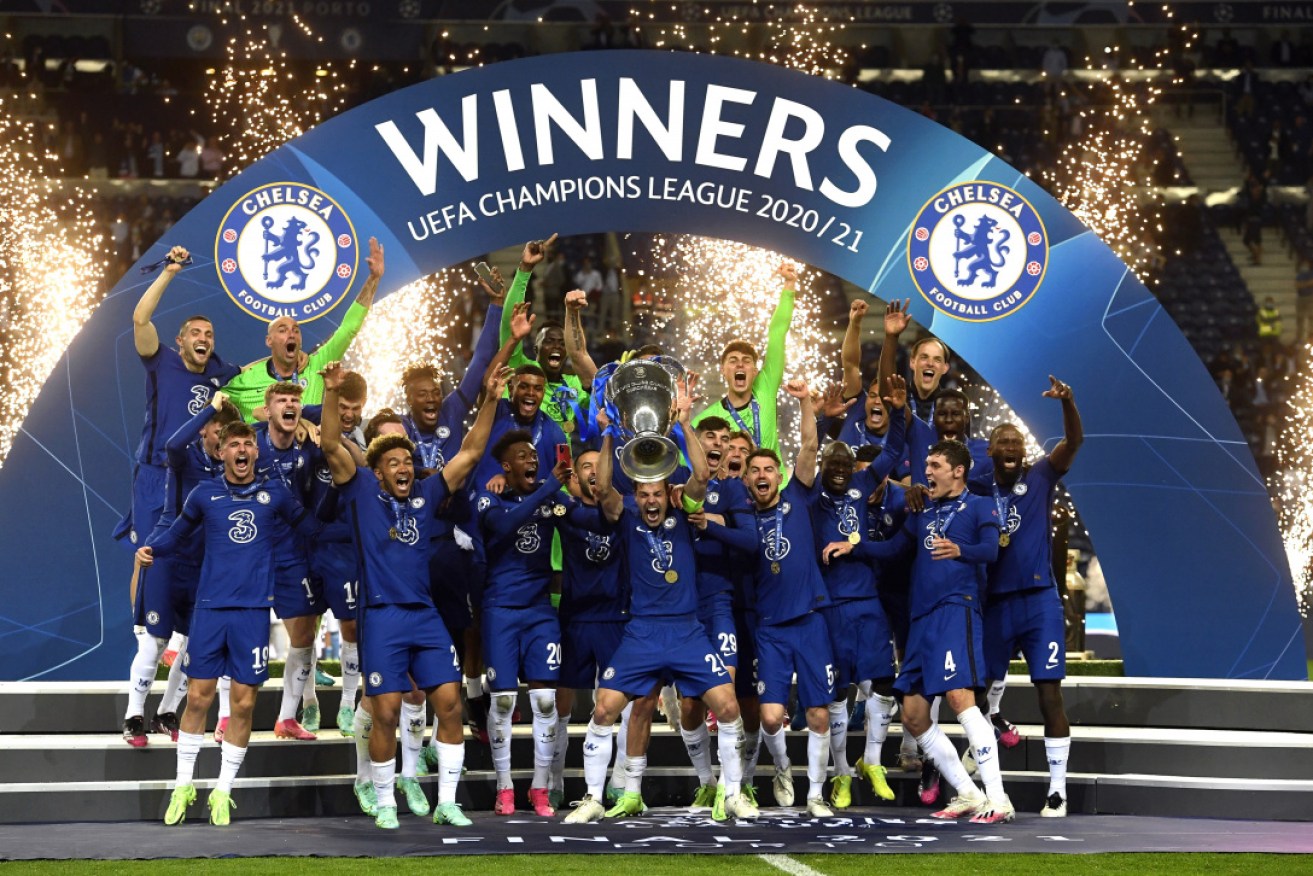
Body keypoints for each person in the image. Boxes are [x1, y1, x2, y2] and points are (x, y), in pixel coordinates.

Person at [318, 358, 506, 830]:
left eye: (407, 461)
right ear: (377, 472)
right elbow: (328, 444)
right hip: (381, 615)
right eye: (393, 463)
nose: (404, 468)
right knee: (385, 711)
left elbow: (470, 452)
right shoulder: (360, 490)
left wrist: (491, 400)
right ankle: (384, 801)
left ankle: (446, 801)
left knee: (449, 703)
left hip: (424, 615)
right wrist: (330, 391)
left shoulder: (424, 496)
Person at [563, 392, 756, 824]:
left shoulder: (686, 512)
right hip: (643, 632)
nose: (651, 501)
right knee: (604, 708)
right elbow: (605, 488)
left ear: (669, 493)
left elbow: (703, 475)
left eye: (657, 494)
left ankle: (734, 793)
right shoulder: (626, 514)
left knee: (727, 707)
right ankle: (594, 796)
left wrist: (686, 423)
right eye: (644, 494)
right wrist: (609, 433)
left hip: (687, 631)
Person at [137, 422, 319, 826]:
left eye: (246, 444)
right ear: (221, 453)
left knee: (244, 703)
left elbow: (311, 528)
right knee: (198, 698)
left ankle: (223, 791)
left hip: (253, 614)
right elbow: (178, 534)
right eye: (232, 444)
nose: (240, 450)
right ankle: (183, 786)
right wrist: (152, 548)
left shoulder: (276, 495)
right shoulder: (205, 494)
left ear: (256, 452)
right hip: (210, 611)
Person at [118, 244, 242, 746]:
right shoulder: (161, 360)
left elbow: (262, 389)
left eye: (209, 335)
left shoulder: (222, 375)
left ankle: (169, 704)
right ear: (180, 340)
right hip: (156, 474)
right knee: (151, 552)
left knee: (196, 570)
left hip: (202, 476)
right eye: (196, 333)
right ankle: (143, 632)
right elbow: (139, 316)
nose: (204, 339)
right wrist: (169, 272)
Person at [855, 439, 1013, 824]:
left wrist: (962, 551)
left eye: (936, 465)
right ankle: (968, 794)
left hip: (955, 609)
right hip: (921, 618)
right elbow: (893, 549)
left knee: (961, 699)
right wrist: (853, 546)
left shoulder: (979, 505)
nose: (928, 471)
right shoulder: (924, 510)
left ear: (958, 470)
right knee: (912, 714)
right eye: (927, 464)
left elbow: (992, 550)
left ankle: (999, 797)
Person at [701, 380, 837, 817]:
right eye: (754, 471)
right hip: (771, 628)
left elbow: (810, 448)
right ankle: (782, 767)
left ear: (779, 474)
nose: (761, 475)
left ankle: (815, 795)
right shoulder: (742, 519)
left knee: (818, 715)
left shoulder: (799, 496)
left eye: (768, 469)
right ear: (747, 478)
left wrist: (803, 405)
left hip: (811, 619)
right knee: (773, 717)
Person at [966, 376, 1082, 818]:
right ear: (992, 452)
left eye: (1017, 441)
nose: (1012, 446)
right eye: (1003, 442)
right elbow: (938, 484)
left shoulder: (1040, 475)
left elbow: (1074, 442)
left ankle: (1058, 790)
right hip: (995, 603)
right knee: (977, 698)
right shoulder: (976, 487)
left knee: (1049, 695)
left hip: (1038, 602)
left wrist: (1067, 402)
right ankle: (985, 785)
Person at [807, 375, 908, 809]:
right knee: (837, 693)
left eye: (846, 467)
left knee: (884, 679)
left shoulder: (862, 487)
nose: (840, 471)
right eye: (833, 466)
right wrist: (813, 418)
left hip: (866, 601)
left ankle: (872, 761)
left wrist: (900, 413)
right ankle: (842, 773)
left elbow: (894, 451)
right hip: (829, 607)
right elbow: (808, 453)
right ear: (822, 469)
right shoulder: (808, 497)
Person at [122, 391, 241, 746]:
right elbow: (172, 443)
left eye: (226, 433)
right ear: (204, 429)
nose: (220, 438)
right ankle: (133, 716)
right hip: (167, 557)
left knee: (194, 644)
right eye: (215, 429)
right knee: (156, 642)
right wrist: (210, 410)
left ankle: (167, 711)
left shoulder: (231, 470)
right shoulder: (184, 458)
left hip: (202, 566)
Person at [475, 429, 574, 817]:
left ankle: (539, 789)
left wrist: (559, 491)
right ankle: (504, 788)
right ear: (505, 466)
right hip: (500, 610)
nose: (532, 460)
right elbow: (501, 527)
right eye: (522, 455)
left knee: (545, 699)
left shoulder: (549, 497)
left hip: (539, 611)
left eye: (534, 455)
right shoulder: (489, 496)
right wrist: (547, 487)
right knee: (502, 700)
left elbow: (578, 516)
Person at [221, 237, 383, 420]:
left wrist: (374, 279)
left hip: (309, 448)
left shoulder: (317, 366)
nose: (291, 333)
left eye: (296, 330)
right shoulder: (245, 381)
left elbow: (349, 329)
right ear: (269, 341)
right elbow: (211, 398)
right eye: (282, 330)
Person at [552, 448, 630, 810]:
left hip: (615, 617)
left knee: (620, 702)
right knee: (560, 703)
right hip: (575, 618)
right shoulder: (563, 510)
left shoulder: (621, 509)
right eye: (586, 466)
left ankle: (618, 782)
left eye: (600, 465)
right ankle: (552, 780)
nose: (595, 470)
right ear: (574, 477)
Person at [251, 381, 325, 741]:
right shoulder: (249, 444)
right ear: (267, 410)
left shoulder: (309, 448)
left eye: (295, 400)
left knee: (303, 636)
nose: (290, 404)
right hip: (253, 553)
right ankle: (223, 717)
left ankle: (287, 717)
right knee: (236, 637)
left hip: (295, 553)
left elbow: (332, 416)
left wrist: (311, 421)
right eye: (281, 400)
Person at [691, 264, 798, 454]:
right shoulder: (706, 420)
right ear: (723, 371)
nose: (740, 363)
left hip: (777, 484)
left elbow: (777, 333)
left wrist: (789, 284)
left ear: (755, 371)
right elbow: (689, 463)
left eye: (747, 360)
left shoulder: (766, 387)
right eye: (732, 360)